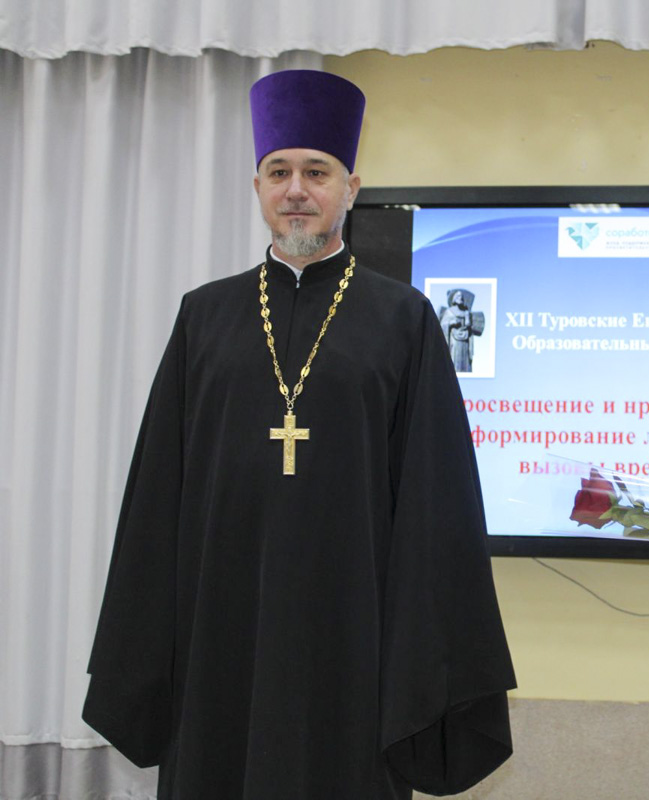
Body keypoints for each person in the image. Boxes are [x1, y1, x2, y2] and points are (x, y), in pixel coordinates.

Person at [83, 69, 516, 800]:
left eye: (317, 172)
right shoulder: (204, 318)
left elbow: (435, 505)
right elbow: (157, 497)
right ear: (257, 188)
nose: (296, 190)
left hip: (353, 634)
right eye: (279, 172)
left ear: (351, 188)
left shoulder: (404, 321)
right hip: (218, 629)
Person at [438, 288, 485, 372]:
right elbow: (442, 325)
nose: (461, 298)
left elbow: (468, 324)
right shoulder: (449, 311)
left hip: (465, 340)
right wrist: (451, 323)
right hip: (454, 340)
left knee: (465, 360)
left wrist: (467, 317)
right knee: (454, 359)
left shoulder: (466, 312)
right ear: (454, 299)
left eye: (462, 297)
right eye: (458, 296)